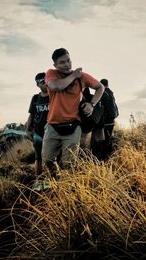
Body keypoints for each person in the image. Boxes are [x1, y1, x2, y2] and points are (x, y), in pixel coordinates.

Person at [42, 48, 104, 176]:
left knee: (69, 164)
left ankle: (65, 188)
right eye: (62, 62)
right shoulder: (51, 73)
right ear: (55, 65)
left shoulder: (82, 77)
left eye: (68, 60)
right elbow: (56, 87)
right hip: (52, 125)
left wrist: (92, 104)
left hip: (73, 126)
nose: (67, 64)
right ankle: (54, 181)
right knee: (47, 160)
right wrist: (74, 75)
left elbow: (100, 87)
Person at [26, 72, 50, 175]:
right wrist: (28, 130)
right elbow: (31, 115)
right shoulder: (35, 98)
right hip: (38, 132)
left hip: (53, 131)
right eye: (42, 82)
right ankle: (38, 180)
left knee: (54, 156)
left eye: (47, 80)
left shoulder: (55, 96)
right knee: (38, 156)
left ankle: (55, 180)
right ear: (37, 85)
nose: (45, 83)